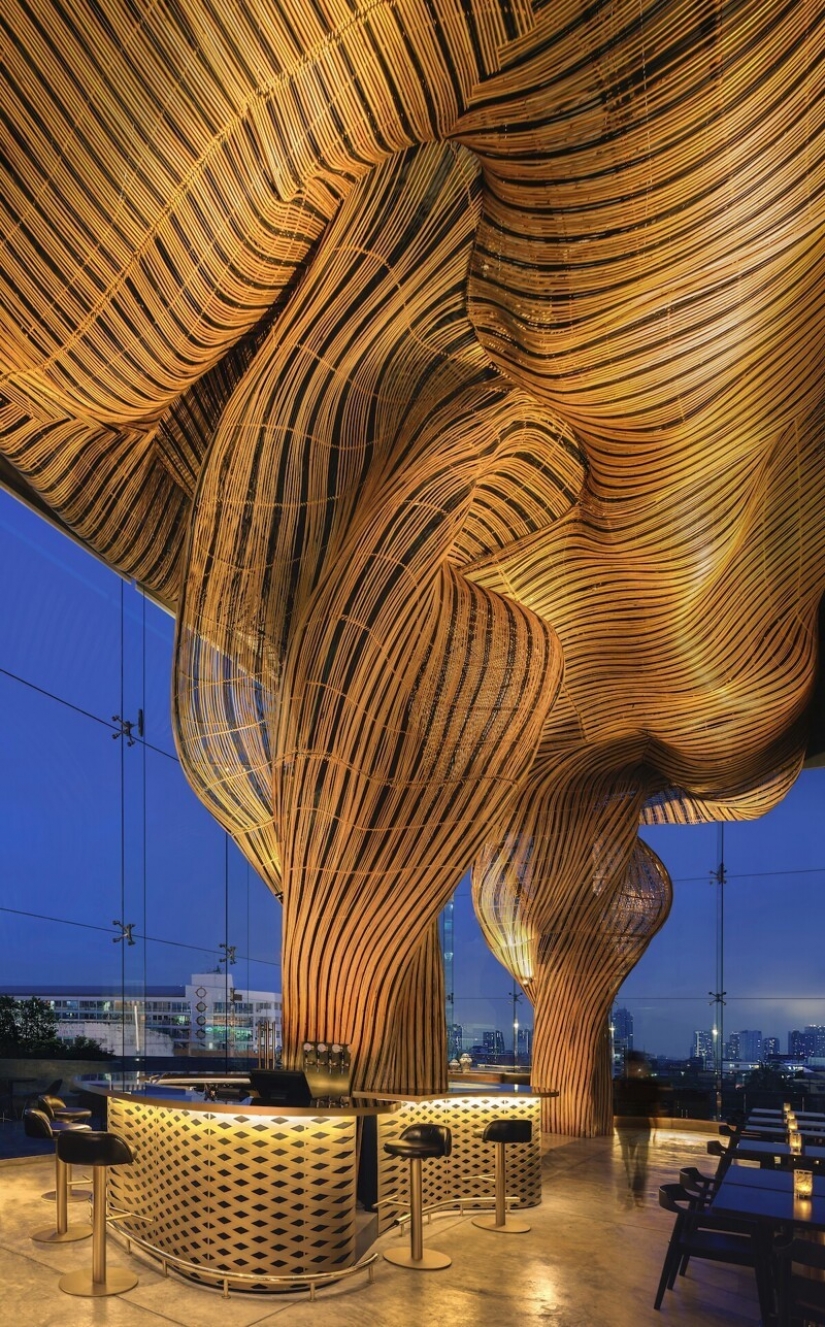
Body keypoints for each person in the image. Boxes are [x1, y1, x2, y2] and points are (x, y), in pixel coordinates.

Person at [613, 1052, 663, 1204]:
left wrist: (655, 1125)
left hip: (634, 1126)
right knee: (630, 1160)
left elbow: (654, 1106)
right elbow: (654, 1106)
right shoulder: (624, 1083)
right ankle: (634, 1191)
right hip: (629, 1126)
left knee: (637, 1161)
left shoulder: (623, 1083)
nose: (633, 1067)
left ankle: (636, 1191)